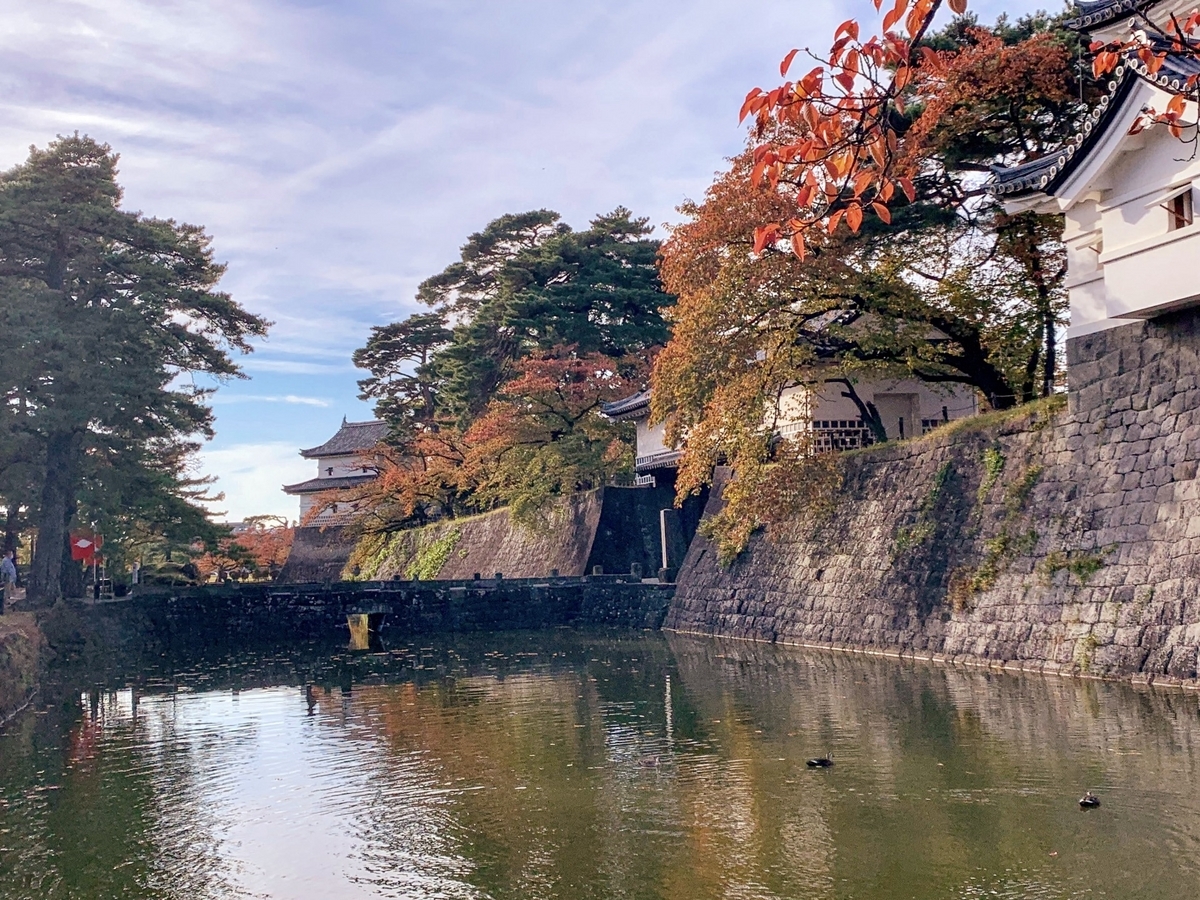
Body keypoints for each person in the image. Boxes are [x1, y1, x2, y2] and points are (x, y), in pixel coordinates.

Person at [0, 550, 16, 615]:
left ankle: (8, 602)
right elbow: (8, 570)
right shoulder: (6, 561)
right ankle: (6, 603)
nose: (12, 555)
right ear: (8, 554)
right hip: (7, 578)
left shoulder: (8, 561)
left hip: (10, 578)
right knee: (7, 591)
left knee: (10, 591)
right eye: (11, 554)